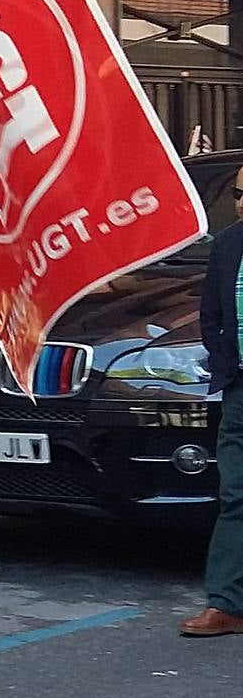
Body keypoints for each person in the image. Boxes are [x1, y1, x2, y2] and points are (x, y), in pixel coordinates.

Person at [181, 165, 243, 637]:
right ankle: (226, 604)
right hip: (240, 389)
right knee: (235, 495)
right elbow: (212, 315)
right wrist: (227, 361)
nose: (240, 204)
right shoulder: (227, 245)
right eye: (238, 194)